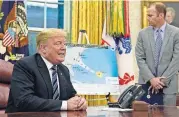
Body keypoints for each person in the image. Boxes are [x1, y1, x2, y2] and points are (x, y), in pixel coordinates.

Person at [5, 28, 87, 113]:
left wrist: (80, 102)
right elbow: (24, 100)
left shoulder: (63, 69)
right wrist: (65, 105)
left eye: (64, 44)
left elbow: (71, 96)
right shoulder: (25, 65)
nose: (64, 48)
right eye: (58, 43)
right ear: (43, 48)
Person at [135, 2, 179, 106]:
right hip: (147, 85)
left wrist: (162, 81)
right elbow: (140, 59)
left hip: (168, 88)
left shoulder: (176, 33)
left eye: (150, 15)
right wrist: (151, 79)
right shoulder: (142, 34)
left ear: (161, 16)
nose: (147, 18)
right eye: (147, 15)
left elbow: (176, 59)